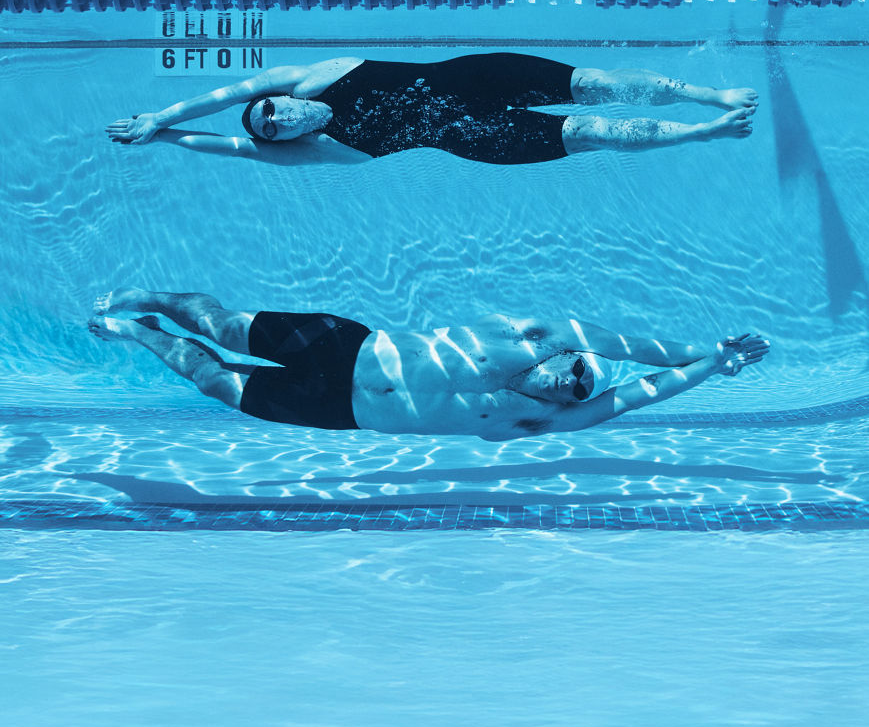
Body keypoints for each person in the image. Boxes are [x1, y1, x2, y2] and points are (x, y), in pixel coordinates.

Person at [89, 288, 769, 440]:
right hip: (343, 346)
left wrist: (708, 372)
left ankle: (139, 333)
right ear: (564, 355)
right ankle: (152, 297)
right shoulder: (532, 333)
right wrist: (711, 350)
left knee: (214, 379)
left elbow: (634, 393)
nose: (571, 387)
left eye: (574, 393)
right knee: (224, 324)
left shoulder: (534, 421)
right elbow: (633, 350)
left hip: (340, 412)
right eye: (575, 374)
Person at [105, 54, 758, 166]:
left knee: (595, 84)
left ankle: (710, 95)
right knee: (590, 131)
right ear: (283, 141)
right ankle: (702, 131)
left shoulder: (310, 78)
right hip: (478, 136)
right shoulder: (321, 152)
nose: (278, 121)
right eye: (273, 131)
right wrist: (167, 142)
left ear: (280, 99)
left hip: (481, 74)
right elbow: (231, 145)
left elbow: (223, 98)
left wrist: (161, 115)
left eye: (270, 111)